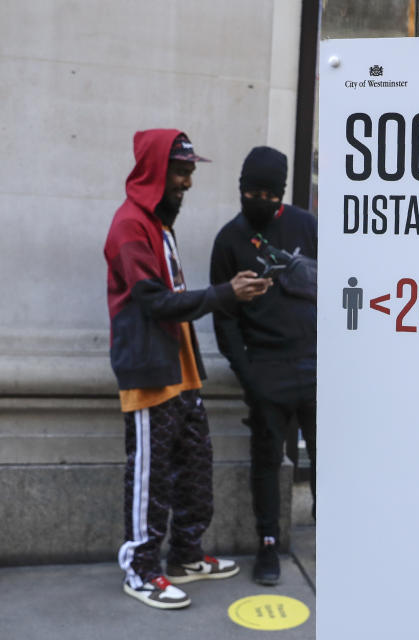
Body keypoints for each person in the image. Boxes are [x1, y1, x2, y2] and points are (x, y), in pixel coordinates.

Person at [104, 129, 270, 609]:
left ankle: (185, 555)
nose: (188, 182)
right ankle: (140, 568)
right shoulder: (129, 227)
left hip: (181, 372)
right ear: (156, 171)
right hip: (150, 375)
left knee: (195, 466)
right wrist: (224, 294)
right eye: (181, 171)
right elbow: (156, 302)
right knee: (150, 478)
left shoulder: (157, 224)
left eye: (191, 171)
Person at [210, 146, 318, 586]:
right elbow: (224, 317)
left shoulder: (307, 227)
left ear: (281, 193)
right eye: (248, 191)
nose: (255, 199)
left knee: (330, 458)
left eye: (265, 193)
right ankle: (267, 544)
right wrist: (248, 374)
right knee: (267, 461)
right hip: (266, 369)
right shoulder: (229, 239)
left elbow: (339, 287)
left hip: (314, 366)